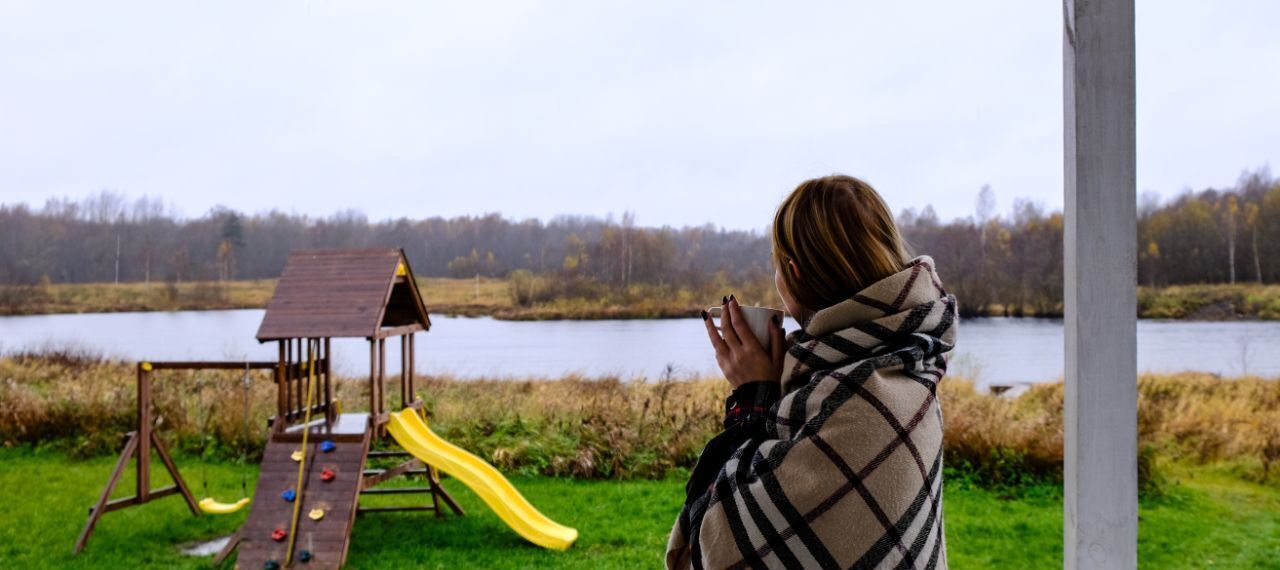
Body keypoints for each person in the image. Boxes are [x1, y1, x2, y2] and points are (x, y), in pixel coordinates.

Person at [666, 175, 958, 569]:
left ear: (793, 271)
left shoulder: (847, 398)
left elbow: (711, 548)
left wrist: (754, 396)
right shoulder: (911, 362)